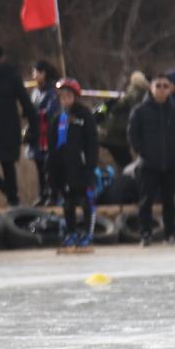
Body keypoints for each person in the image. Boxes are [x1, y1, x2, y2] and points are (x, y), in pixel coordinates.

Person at [0, 46, 38, 207]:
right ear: (3, 57)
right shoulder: (12, 75)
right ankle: (13, 200)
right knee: (8, 165)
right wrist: (33, 126)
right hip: (9, 126)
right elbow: (26, 102)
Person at [47, 79, 98, 253]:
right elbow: (53, 147)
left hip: (82, 168)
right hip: (65, 171)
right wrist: (52, 170)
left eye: (69, 96)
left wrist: (90, 164)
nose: (66, 100)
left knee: (86, 202)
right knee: (68, 204)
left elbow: (92, 142)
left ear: (75, 97)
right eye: (63, 97)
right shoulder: (58, 118)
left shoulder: (85, 116)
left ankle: (88, 234)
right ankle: (71, 233)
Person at [127, 73, 175, 246]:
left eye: (165, 86)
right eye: (158, 85)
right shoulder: (140, 110)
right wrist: (143, 152)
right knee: (146, 201)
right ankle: (145, 234)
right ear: (151, 88)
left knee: (169, 201)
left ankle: (170, 234)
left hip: (170, 163)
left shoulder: (173, 109)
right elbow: (133, 134)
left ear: (170, 89)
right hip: (149, 163)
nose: (162, 89)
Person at [98, 71, 150, 169]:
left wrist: (99, 112)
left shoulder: (127, 93)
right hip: (116, 136)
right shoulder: (139, 95)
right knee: (127, 165)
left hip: (107, 133)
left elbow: (105, 107)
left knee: (123, 164)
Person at [26, 60, 59, 205]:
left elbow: (52, 111)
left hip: (48, 135)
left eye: (36, 72)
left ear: (43, 73)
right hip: (37, 135)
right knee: (39, 166)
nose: (33, 76)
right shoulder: (35, 92)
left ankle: (52, 195)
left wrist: (35, 114)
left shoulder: (52, 91)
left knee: (49, 167)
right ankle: (42, 194)